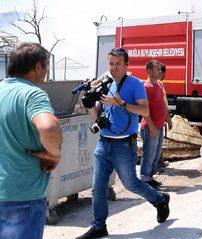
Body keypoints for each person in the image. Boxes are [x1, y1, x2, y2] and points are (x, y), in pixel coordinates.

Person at [77, 48, 170, 239]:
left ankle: (160, 200)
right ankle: (98, 226)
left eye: (118, 64)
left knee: (131, 184)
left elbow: (144, 111)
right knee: (98, 187)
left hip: (124, 145)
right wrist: (89, 104)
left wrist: (120, 103)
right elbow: (96, 114)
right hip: (103, 143)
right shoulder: (105, 81)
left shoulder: (135, 84)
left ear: (126, 65)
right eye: (111, 63)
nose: (114, 68)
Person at [0, 43, 62, 239]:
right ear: (37, 67)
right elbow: (48, 127)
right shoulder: (32, 94)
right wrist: (54, 155)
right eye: (46, 67)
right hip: (23, 195)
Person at [139, 60, 168, 188]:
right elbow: (144, 110)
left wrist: (168, 119)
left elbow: (162, 103)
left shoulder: (159, 85)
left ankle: (150, 177)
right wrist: (151, 126)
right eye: (157, 69)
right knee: (149, 154)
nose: (160, 71)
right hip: (150, 127)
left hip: (159, 126)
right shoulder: (145, 87)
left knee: (156, 155)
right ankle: (145, 179)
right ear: (149, 71)